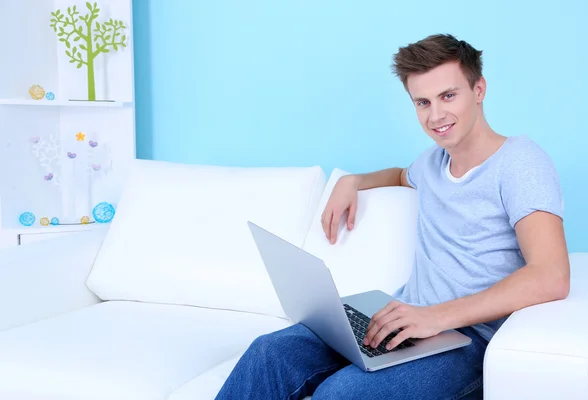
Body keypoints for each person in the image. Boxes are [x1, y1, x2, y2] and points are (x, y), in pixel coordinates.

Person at [215, 33, 569, 400]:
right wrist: (353, 181)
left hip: (468, 340)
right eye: (422, 102)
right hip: (403, 319)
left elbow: (551, 275)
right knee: (268, 353)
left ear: (479, 89)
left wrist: (436, 317)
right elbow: (400, 176)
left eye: (448, 96)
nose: (436, 115)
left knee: (341, 394)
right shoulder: (433, 163)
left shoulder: (521, 162)